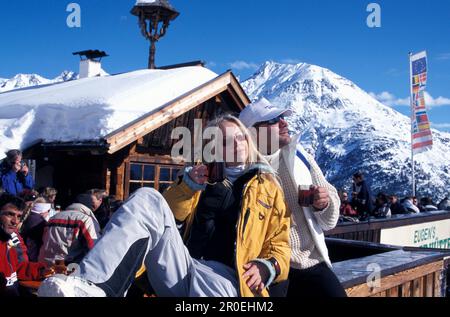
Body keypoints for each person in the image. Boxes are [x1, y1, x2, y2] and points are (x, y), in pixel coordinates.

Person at [38, 115, 291, 297]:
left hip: (228, 281)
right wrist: (187, 188)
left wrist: (268, 266)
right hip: (182, 265)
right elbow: (166, 219)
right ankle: (92, 287)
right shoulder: (196, 177)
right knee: (148, 197)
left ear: (248, 141)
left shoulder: (268, 186)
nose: (236, 144)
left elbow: (280, 246)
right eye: (225, 140)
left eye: (240, 138)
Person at [239, 98, 346, 297]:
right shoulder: (243, 170)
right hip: (268, 270)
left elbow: (329, 220)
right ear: (252, 132)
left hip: (311, 263)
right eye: (273, 120)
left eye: (282, 117)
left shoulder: (300, 156)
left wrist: (324, 203)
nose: (284, 123)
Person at [0, 193, 47, 296]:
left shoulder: (8, 240)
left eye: (19, 216)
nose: (15, 221)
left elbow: (17, 268)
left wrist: (43, 271)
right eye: (10, 214)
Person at [38, 196, 101, 265]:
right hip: (66, 266)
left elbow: (43, 239)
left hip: (45, 263)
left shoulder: (53, 217)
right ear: (88, 207)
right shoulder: (85, 219)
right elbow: (92, 246)